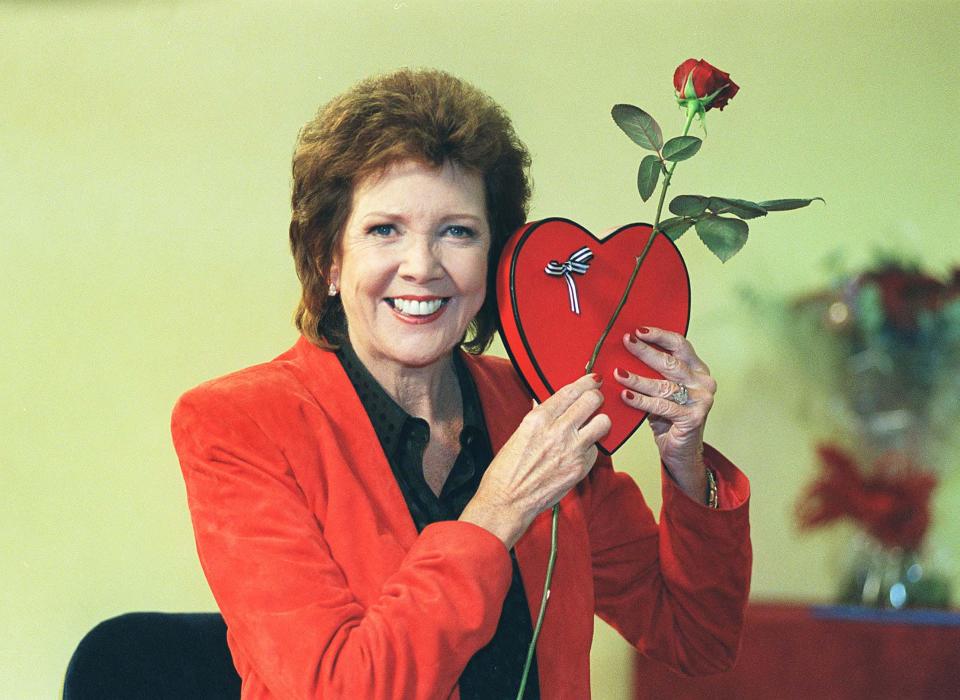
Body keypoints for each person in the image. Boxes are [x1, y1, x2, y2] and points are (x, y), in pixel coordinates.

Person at [171, 68, 751, 700]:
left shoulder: (536, 408)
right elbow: (338, 689)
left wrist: (685, 461)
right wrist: (497, 511)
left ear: (494, 260)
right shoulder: (239, 424)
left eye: (457, 231)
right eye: (384, 230)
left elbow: (695, 637)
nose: (422, 267)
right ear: (327, 261)